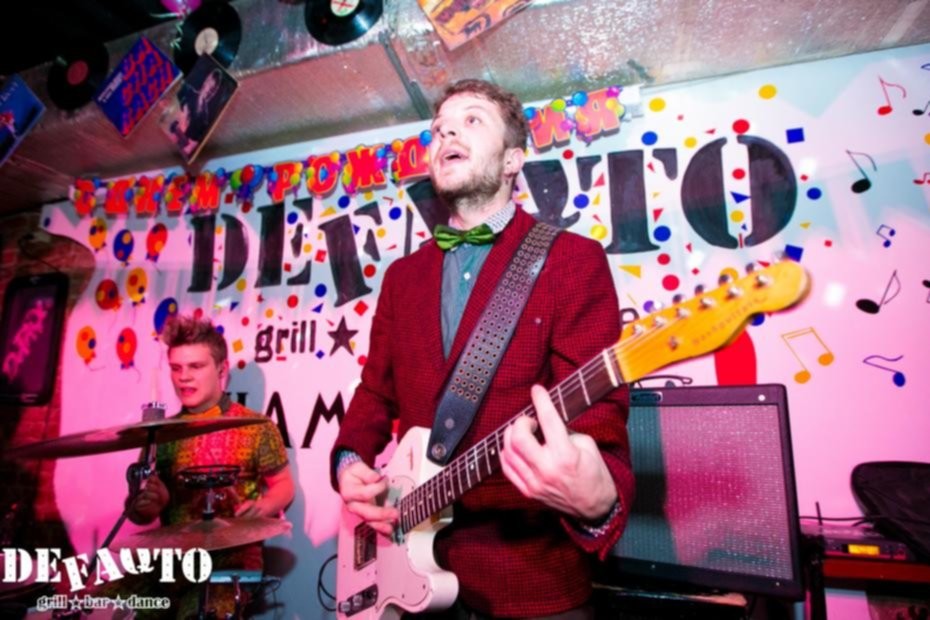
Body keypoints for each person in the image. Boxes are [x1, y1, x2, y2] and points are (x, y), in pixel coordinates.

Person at [331, 79, 634, 619]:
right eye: (439, 128)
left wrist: (598, 500)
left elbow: (599, 421)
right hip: (411, 580)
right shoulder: (402, 277)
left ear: (513, 159)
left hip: (532, 583)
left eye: (471, 120)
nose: (447, 132)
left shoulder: (572, 260)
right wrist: (349, 459)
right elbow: (376, 391)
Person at [124, 314, 295, 618]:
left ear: (222, 369)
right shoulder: (159, 434)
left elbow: (284, 485)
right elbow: (138, 513)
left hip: (231, 563)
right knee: (103, 603)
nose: (184, 377)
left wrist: (264, 506)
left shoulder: (256, 426)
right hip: (173, 564)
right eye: (176, 368)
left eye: (196, 366)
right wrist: (149, 505)